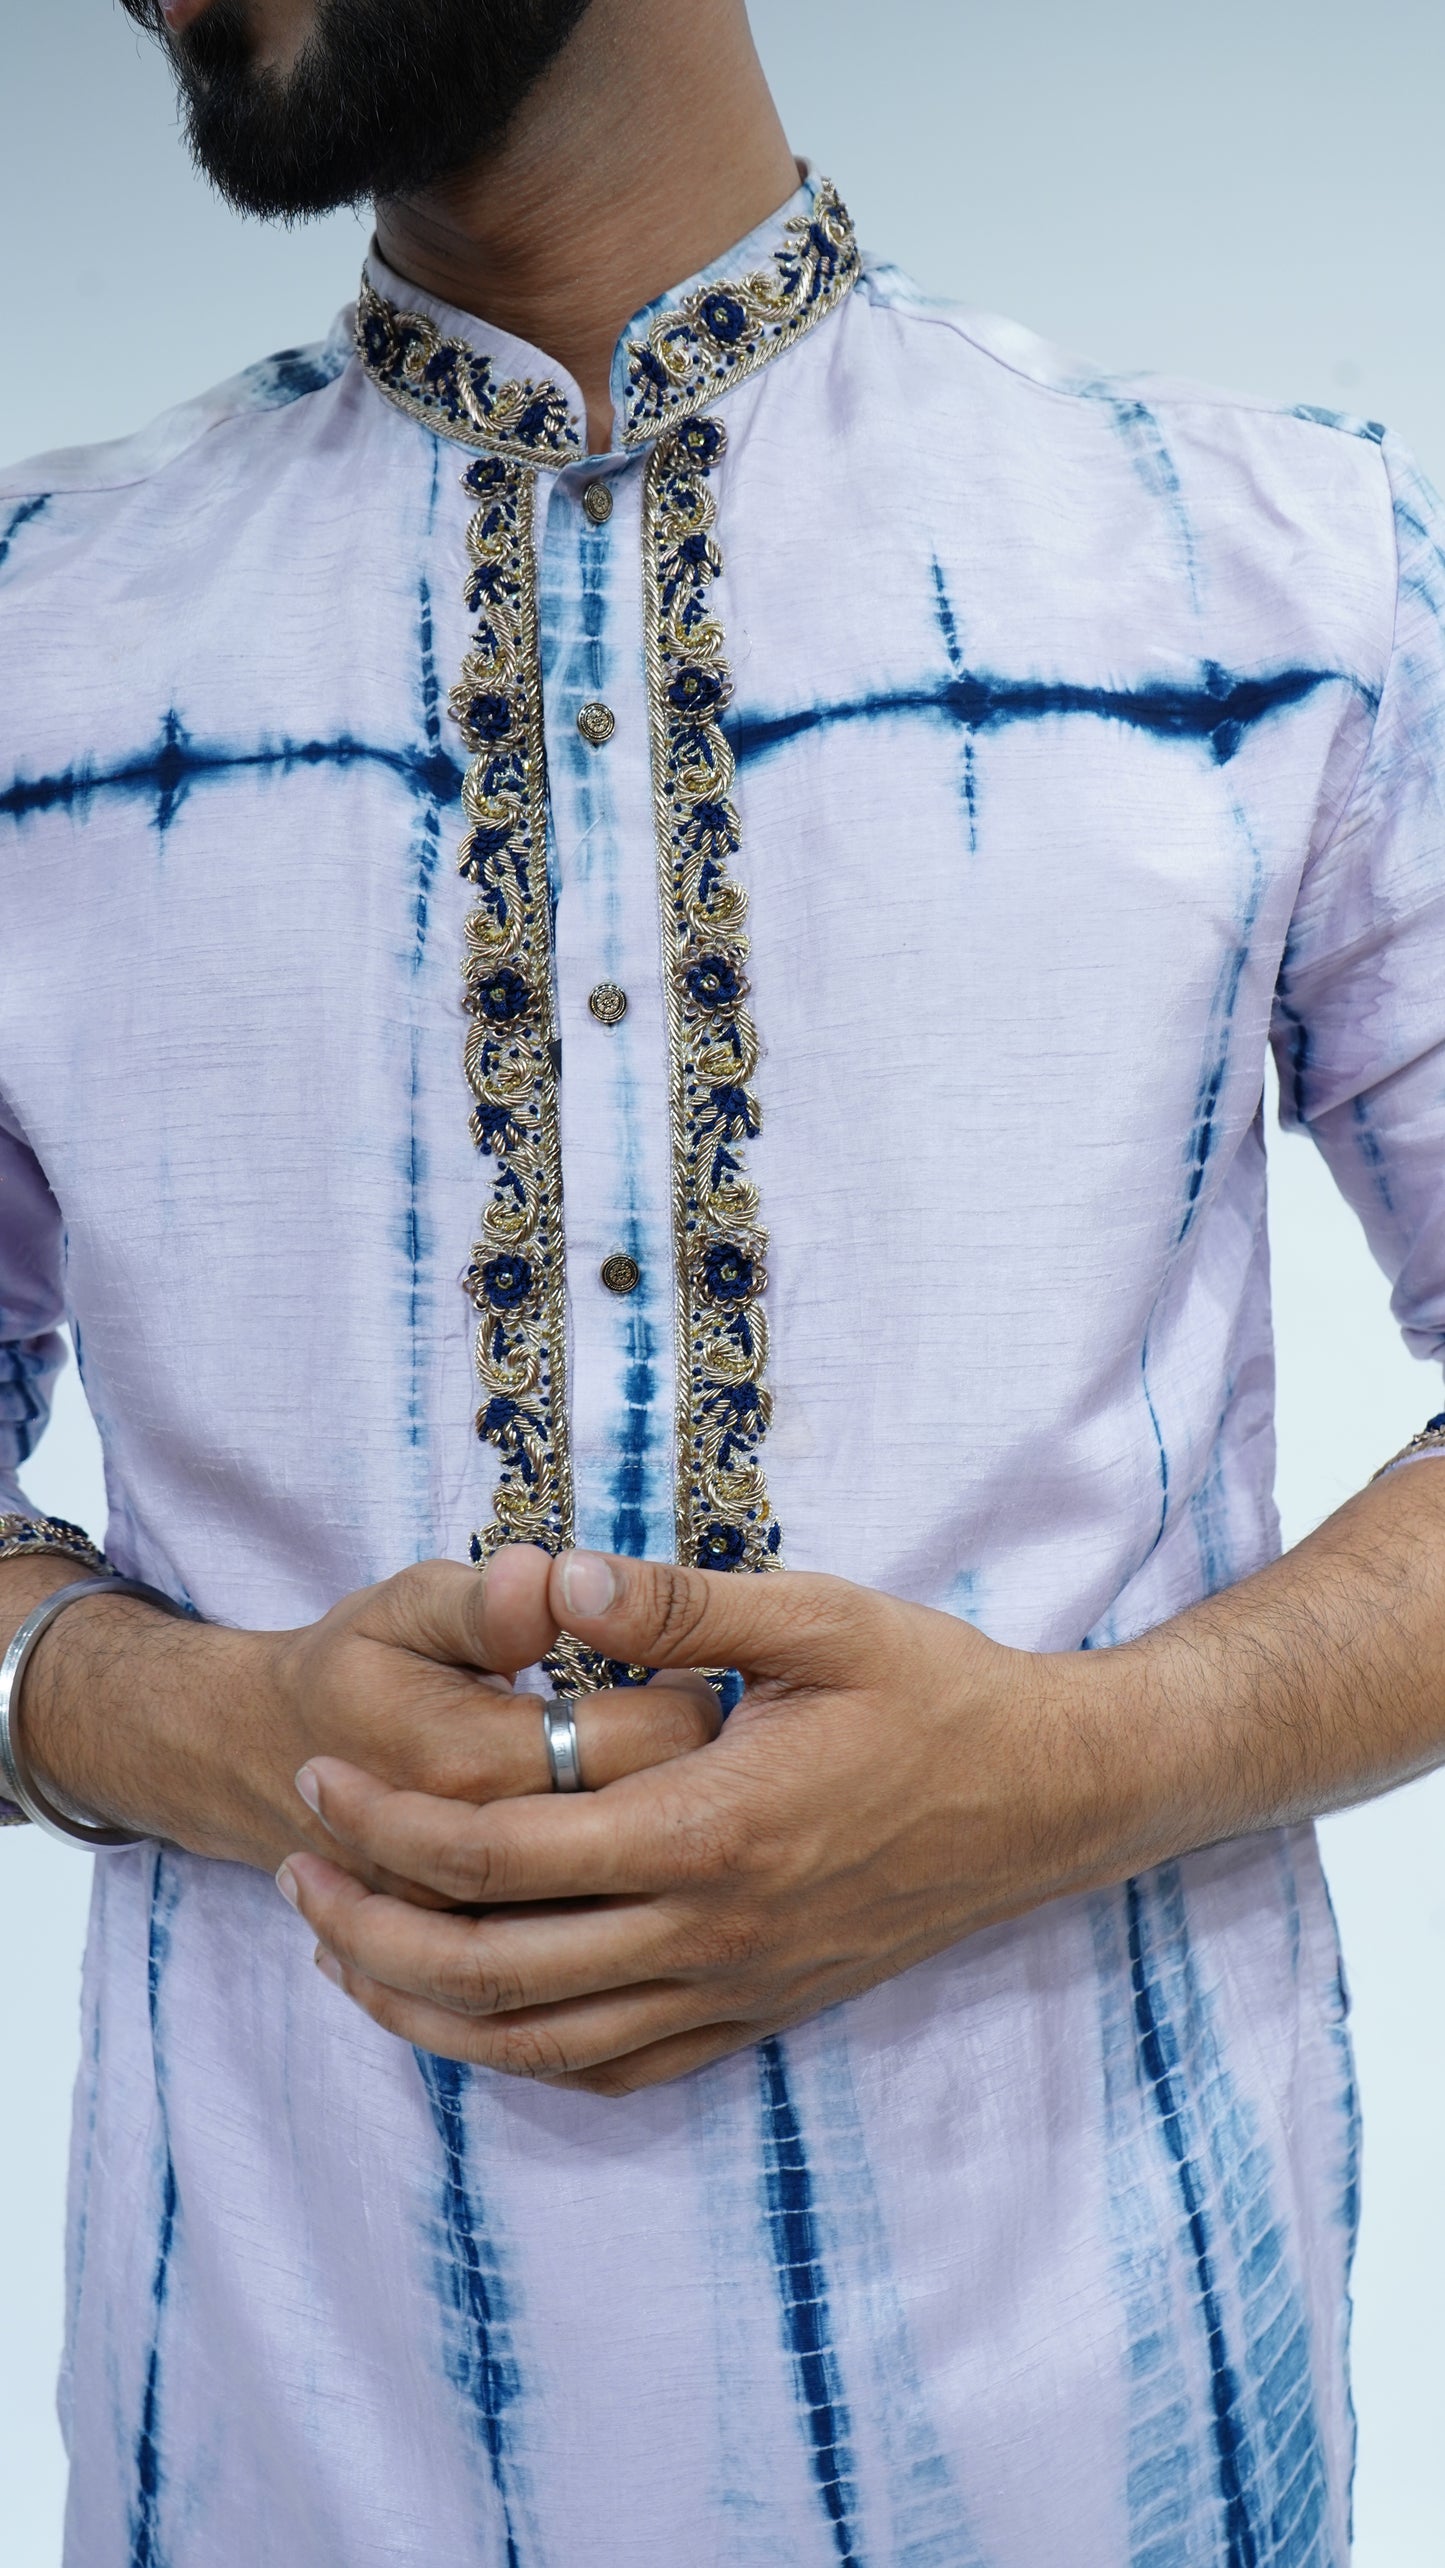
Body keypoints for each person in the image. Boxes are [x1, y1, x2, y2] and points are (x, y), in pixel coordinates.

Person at [4, 0, 1445, 2555]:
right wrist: (219, 1728)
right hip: (263, 2460)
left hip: (1109, 2453)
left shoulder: (1281, 574)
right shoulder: (37, 646)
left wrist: (1070, 1774)